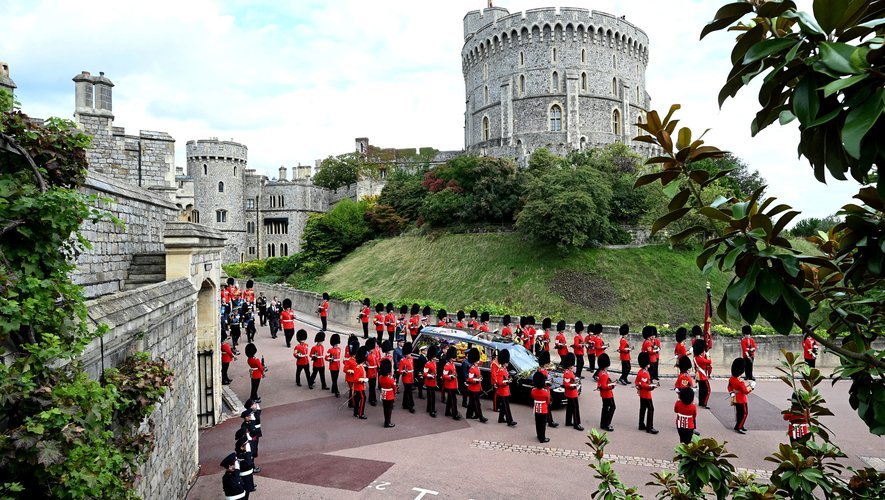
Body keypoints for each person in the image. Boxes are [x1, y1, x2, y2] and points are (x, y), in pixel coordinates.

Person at [727, 358, 754, 434]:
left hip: (736, 399)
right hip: (742, 400)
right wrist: (752, 387)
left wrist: (731, 392)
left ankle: (739, 425)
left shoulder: (732, 379)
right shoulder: (740, 382)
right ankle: (739, 427)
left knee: (739, 414)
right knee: (744, 414)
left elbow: (729, 387)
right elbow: (745, 391)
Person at [636, 351, 658, 434]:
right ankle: (649, 427)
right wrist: (653, 386)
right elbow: (645, 385)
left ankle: (641, 424)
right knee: (651, 409)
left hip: (642, 394)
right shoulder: (645, 373)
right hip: (646, 394)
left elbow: (637, 382)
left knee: (643, 408)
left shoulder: (640, 371)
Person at [536, 351, 559, 428]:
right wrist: (548, 382)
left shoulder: (542, 370)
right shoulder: (542, 371)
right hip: (545, 390)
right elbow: (542, 381)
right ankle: (550, 422)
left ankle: (547, 420)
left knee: (547, 406)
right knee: (548, 406)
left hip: (545, 389)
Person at [560, 353, 583, 431]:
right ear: (569, 365)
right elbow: (566, 384)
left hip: (571, 393)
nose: (573, 366)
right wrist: (574, 385)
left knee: (569, 407)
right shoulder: (567, 373)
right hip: (571, 393)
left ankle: (568, 421)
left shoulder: (569, 371)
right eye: (572, 365)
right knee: (575, 408)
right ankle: (577, 424)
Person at [465, 348, 488, 422]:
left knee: (471, 402)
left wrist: (480, 377)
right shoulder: (472, 368)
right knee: (477, 403)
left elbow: (478, 376)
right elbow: (470, 379)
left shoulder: (476, 367)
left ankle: (469, 415)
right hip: (473, 388)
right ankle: (480, 417)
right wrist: (477, 380)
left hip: (476, 387)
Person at [495, 349, 517, 426]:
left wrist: (508, 380)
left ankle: (500, 419)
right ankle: (510, 421)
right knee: (506, 406)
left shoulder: (504, 369)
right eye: (507, 362)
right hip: (502, 391)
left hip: (505, 390)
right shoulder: (500, 370)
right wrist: (507, 382)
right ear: (504, 362)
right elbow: (500, 382)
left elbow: (504, 379)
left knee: (504, 406)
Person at [597, 353, 616, 431]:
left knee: (605, 407)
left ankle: (603, 423)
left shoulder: (601, 372)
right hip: (607, 394)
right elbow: (605, 386)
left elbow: (601, 384)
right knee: (612, 407)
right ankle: (607, 424)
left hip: (604, 394)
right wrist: (612, 386)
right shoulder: (604, 374)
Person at [442, 347, 461, 420]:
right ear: (450, 358)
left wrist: (455, 375)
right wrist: (451, 377)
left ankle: (447, 412)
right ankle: (455, 414)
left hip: (453, 384)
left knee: (450, 399)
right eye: (453, 357)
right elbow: (444, 375)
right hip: (450, 385)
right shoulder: (447, 365)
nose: (455, 358)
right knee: (454, 400)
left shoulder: (452, 364)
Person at [532, 370, 551, 443]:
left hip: (536, 408)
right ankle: (542, 438)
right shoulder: (545, 392)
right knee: (543, 424)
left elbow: (533, 397)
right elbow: (548, 401)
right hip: (543, 409)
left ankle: (538, 435)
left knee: (537, 422)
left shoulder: (533, 390)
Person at [692, 339, 712, 409]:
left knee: (701, 390)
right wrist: (708, 354)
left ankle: (701, 402)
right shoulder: (700, 358)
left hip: (699, 376)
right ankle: (704, 403)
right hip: (703, 376)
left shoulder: (696, 357)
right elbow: (709, 362)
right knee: (708, 390)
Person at [379, 358, 397, 428]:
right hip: (390, 395)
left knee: (385, 409)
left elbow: (380, 385)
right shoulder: (390, 379)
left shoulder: (380, 377)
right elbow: (394, 388)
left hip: (383, 394)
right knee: (389, 410)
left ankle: (386, 422)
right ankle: (388, 423)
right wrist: (394, 393)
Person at [399, 342, 416, 413]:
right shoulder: (402, 361)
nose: (410, 354)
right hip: (406, 378)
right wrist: (404, 372)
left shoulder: (411, 358)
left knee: (406, 391)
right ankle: (411, 406)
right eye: (408, 353)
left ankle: (404, 404)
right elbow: (400, 370)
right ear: (406, 354)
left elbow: (412, 368)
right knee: (409, 392)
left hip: (411, 377)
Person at [352, 346, 368, 419]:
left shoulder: (360, 366)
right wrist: (363, 380)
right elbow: (355, 379)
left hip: (359, 387)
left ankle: (355, 413)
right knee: (363, 398)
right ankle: (361, 414)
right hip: (359, 387)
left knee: (357, 399)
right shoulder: (358, 367)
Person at [423, 345, 438, 417]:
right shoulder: (427, 364)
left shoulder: (434, 363)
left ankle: (429, 408)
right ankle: (431, 411)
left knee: (432, 396)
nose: (435, 357)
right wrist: (430, 376)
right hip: (429, 382)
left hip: (433, 382)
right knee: (431, 397)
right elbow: (425, 374)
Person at [365, 338, 379, 406]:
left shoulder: (374, 353)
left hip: (374, 371)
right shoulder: (366, 354)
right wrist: (366, 366)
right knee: (371, 386)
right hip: (370, 372)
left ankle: (373, 398)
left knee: (373, 386)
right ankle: (371, 399)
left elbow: (376, 361)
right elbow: (364, 363)